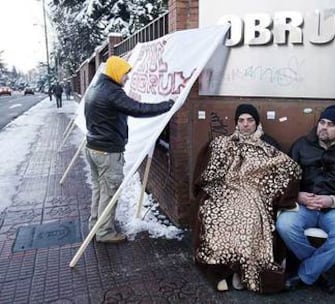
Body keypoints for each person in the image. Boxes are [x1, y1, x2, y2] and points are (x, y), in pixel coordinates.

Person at [193, 104, 302, 293]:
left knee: (248, 216)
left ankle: (241, 270)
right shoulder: (225, 143)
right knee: (214, 213)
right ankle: (221, 271)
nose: (245, 124)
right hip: (226, 189)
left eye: (250, 120)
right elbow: (210, 170)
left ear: (257, 122)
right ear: (236, 123)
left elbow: (284, 169)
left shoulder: (268, 144)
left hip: (255, 192)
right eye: (241, 120)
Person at [276, 105, 335, 294]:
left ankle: (306, 273)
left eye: (331, 125)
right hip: (304, 205)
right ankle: (318, 271)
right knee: (284, 225)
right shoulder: (301, 145)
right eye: (322, 122)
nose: (324, 128)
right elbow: (284, 179)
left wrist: (333, 200)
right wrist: (298, 195)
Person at [84, 55, 174, 243]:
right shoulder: (111, 91)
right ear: (116, 72)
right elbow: (137, 109)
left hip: (93, 147)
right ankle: (105, 232)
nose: (127, 78)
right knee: (109, 192)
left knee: (99, 190)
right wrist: (167, 105)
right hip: (107, 151)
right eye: (125, 74)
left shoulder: (96, 87)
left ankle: (96, 225)